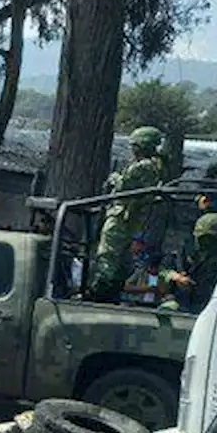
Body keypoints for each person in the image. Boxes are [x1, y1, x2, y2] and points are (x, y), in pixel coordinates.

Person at [89, 127, 165, 303]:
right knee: (120, 257)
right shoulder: (157, 165)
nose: (132, 149)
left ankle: (100, 290)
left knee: (108, 254)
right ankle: (110, 290)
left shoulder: (144, 166)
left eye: (135, 145)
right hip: (131, 217)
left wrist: (114, 177)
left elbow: (123, 185)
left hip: (122, 215)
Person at [161, 212, 217, 314]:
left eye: (209, 239)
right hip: (183, 305)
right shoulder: (185, 252)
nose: (204, 243)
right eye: (202, 238)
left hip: (212, 310)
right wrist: (175, 277)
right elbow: (161, 272)